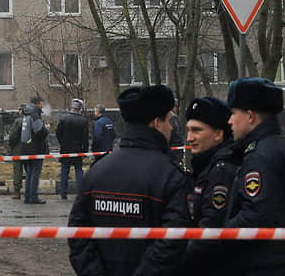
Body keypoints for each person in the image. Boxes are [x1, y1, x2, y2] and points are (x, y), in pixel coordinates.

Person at [68, 85, 190, 275]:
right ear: (157, 123)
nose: (171, 128)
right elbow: (173, 241)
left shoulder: (97, 171)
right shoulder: (170, 176)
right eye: (168, 121)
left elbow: (77, 234)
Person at [218, 77, 285, 275]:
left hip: (260, 265)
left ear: (250, 116)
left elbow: (255, 217)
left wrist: (221, 235)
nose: (229, 121)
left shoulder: (259, 155)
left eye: (234, 113)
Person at [183, 97, 238, 273]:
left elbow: (211, 229)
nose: (189, 138)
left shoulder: (221, 171)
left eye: (196, 131)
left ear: (218, 134)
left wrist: (180, 262)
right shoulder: (205, 166)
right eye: (188, 130)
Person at [56, 98, 89, 199]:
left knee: (64, 170)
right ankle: (80, 192)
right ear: (79, 109)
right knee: (79, 170)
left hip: (65, 148)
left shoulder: (63, 118)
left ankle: (63, 193)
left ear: (72, 107)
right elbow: (85, 137)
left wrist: (62, 143)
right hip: (78, 149)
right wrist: (85, 150)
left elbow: (58, 133)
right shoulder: (83, 120)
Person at [20, 95, 49, 204]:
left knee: (29, 173)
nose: (42, 105)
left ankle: (27, 197)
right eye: (41, 103)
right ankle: (33, 196)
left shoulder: (26, 113)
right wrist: (47, 129)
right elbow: (40, 131)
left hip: (26, 147)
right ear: (38, 103)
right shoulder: (35, 114)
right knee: (35, 173)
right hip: (35, 148)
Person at [8, 105, 25, 199]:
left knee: (17, 171)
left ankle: (17, 192)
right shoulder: (31, 120)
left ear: (20, 111)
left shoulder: (18, 121)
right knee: (29, 171)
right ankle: (30, 191)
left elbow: (12, 136)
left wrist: (11, 146)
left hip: (18, 150)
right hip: (29, 150)